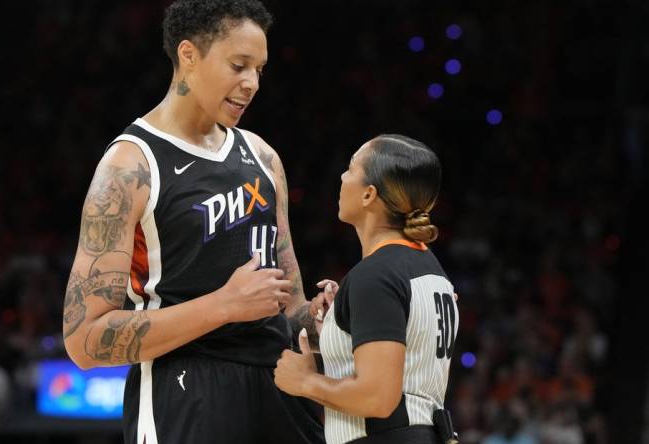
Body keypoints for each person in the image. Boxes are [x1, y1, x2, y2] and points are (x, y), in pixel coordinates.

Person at [61, 1, 326, 443]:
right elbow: (84, 339)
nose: (252, 84)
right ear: (188, 56)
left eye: (260, 70)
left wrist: (328, 323)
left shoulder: (263, 158)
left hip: (279, 384)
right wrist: (224, 305)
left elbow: (290, 308)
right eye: (239, 66)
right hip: (184, 390)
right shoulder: (130, 166)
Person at [274, 135, 459, 444]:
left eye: (350, 168)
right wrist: (338, 330)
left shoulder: (376, 275)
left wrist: (306, 382)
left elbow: (377, 398)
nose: (343, 177)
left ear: (368, 195)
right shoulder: (432, 269)